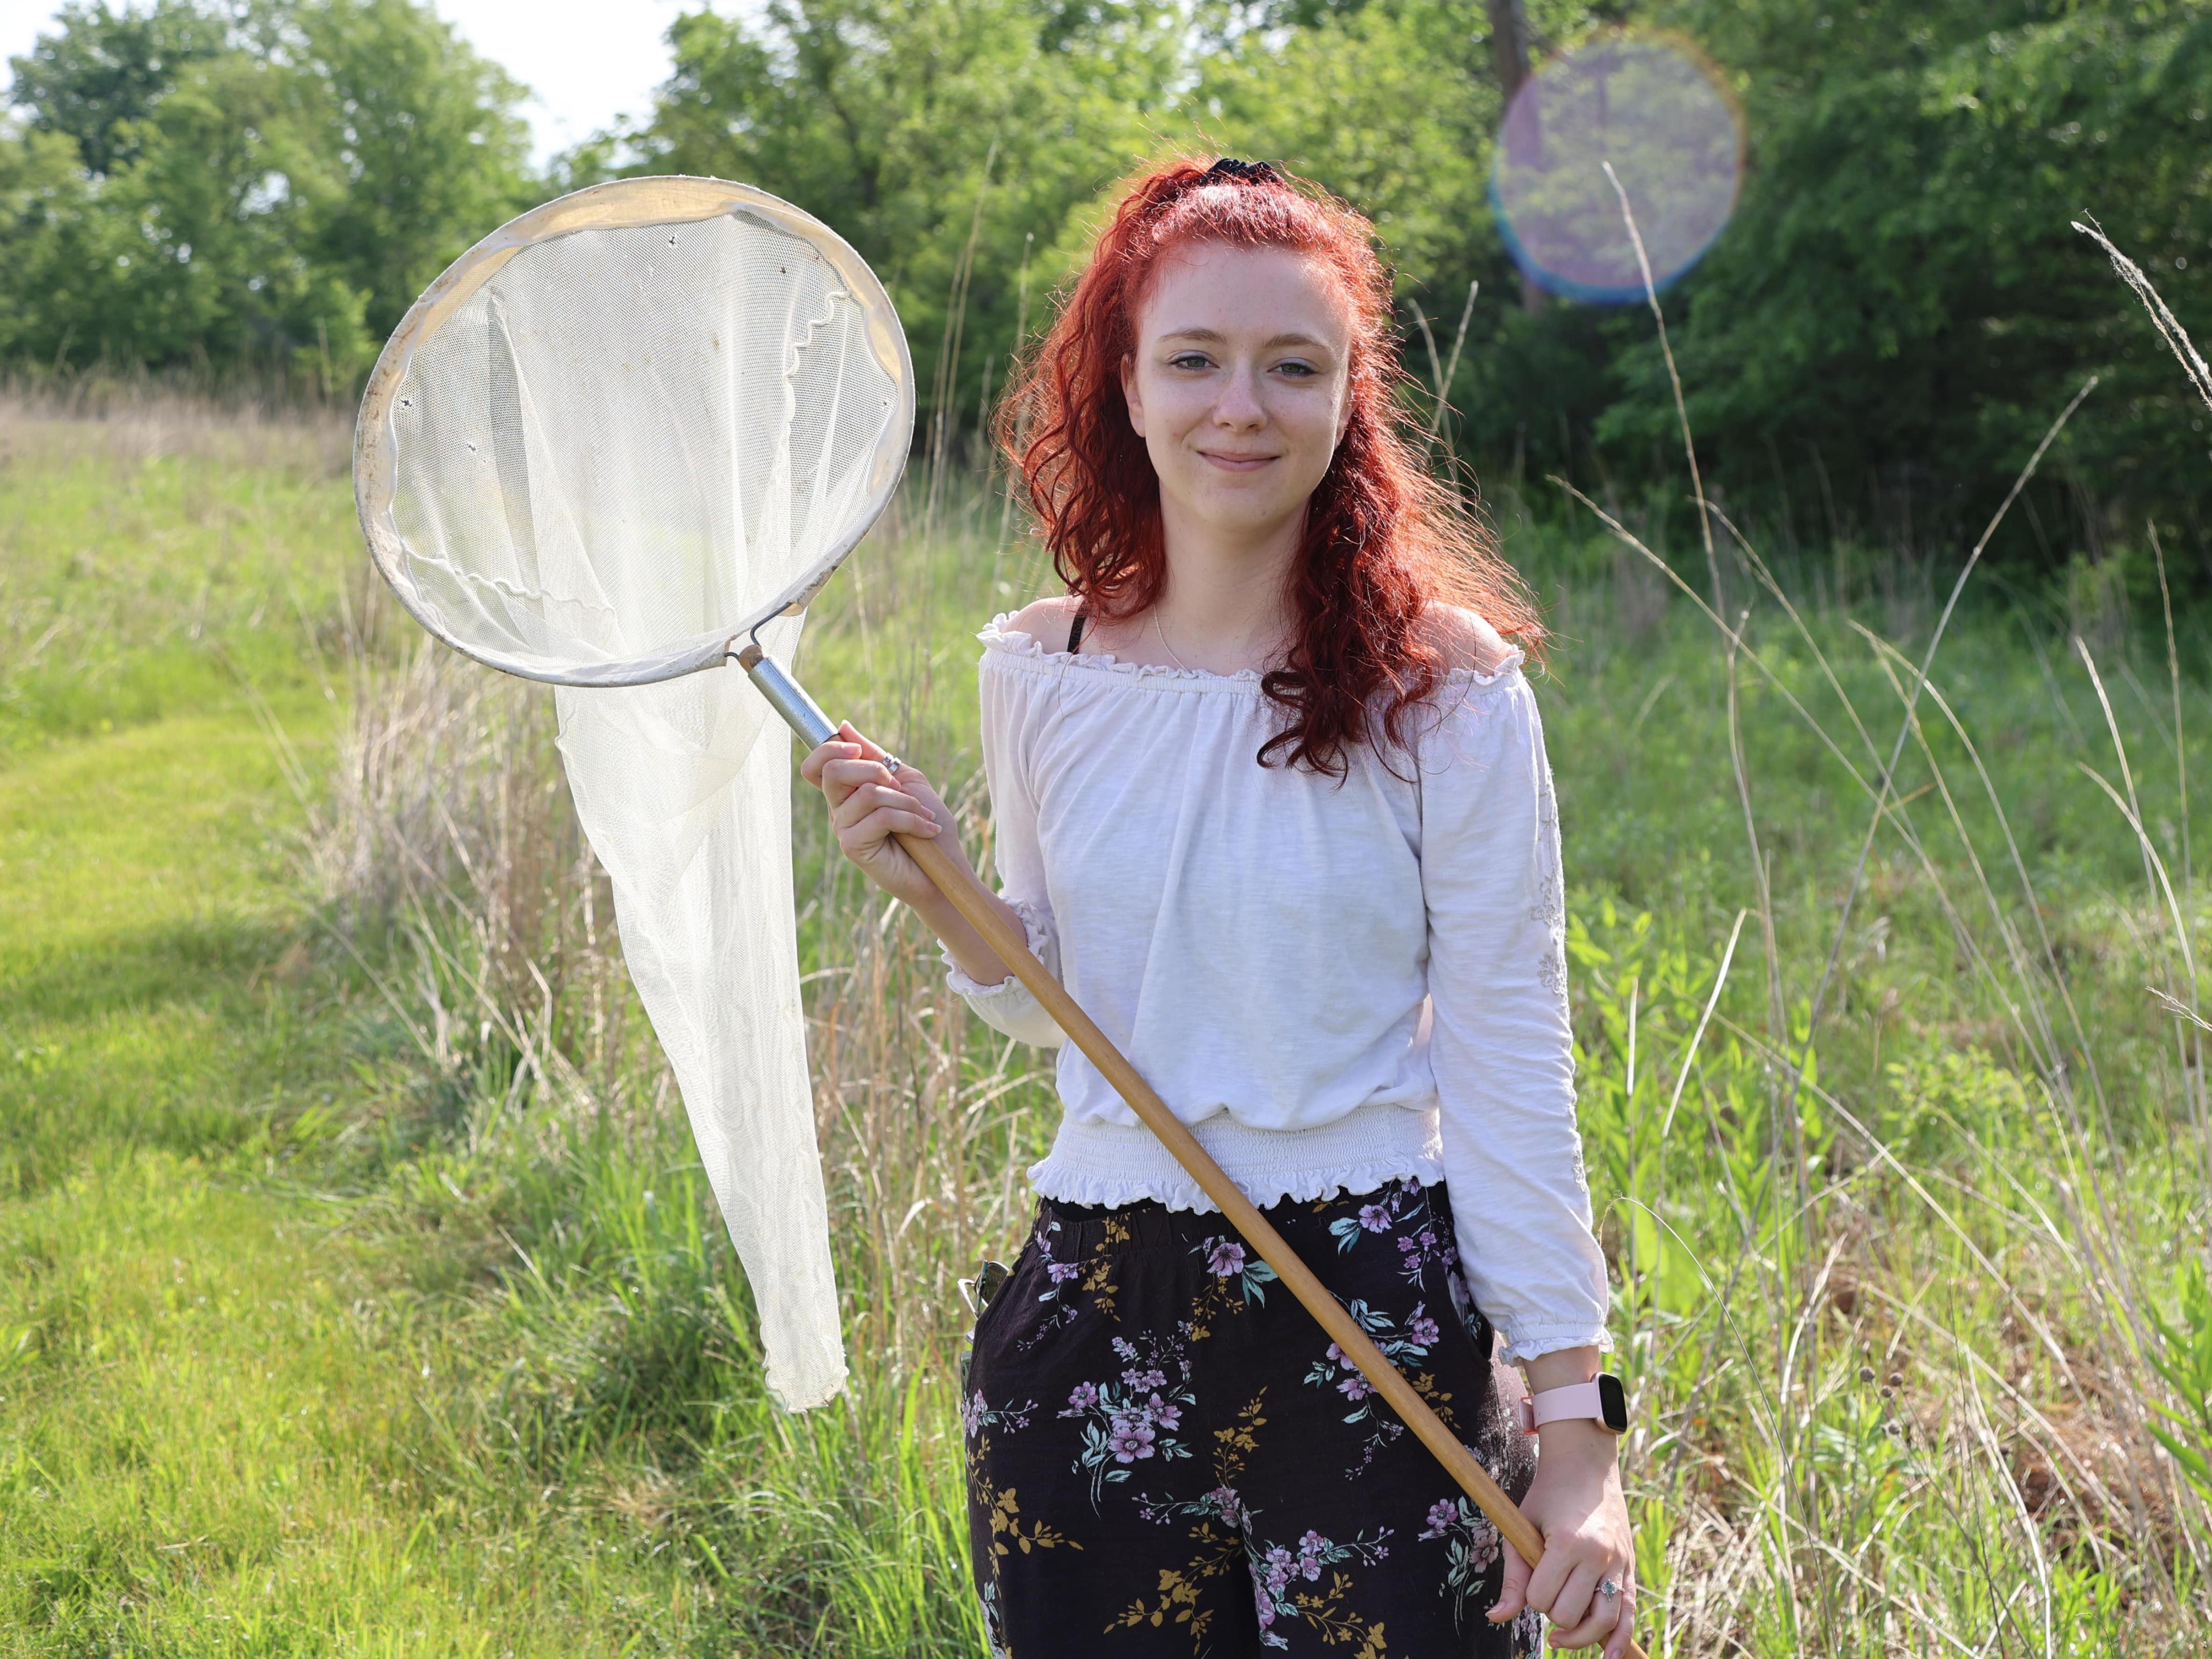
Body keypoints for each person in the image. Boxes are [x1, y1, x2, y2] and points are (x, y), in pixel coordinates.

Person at [801, 157, 1633, 1657]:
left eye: (1287, 365)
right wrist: (941, 889)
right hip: (1090, 1313)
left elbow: (1512, 1051)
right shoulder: (1039, 667)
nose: (1235, 405)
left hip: (1366, 1313)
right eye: (1191, 358)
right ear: (1123, 385)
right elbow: (1042, 981)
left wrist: (1576, 1437)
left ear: (1346, 399)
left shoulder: (1443, 689)